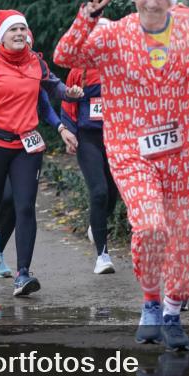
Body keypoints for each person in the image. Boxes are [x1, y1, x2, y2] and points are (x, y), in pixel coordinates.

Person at [53, 0, 189, 351]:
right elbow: (66, 55)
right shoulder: (114, 33)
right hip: (132, 149)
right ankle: (149, 302)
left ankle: (173, 314)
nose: (150, 1)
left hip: (188, 155)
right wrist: (87, 19)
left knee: (183, 244)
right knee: (149, 226)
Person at [0, 10, 74, 296]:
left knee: (25, 207)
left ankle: (23, 274)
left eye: (23, 29)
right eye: (13, 30)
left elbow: (53, 89)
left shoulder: (35, 63)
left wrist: (71, 93)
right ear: (2, 37)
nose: (19, 33)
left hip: (25, 147)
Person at [0, 89, 78, 277]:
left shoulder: (34, 68)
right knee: (2, 201)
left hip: (24, 145)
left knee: (22, 203)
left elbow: (44, 104)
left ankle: (7, 260)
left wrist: (60, 127)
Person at [59, 18, 122, 275]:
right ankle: (102, 256)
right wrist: (69, 132)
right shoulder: (79, 69)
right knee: (98, 192)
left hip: (118, 138)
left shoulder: (123, 67)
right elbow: (69, 104)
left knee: (113, 194)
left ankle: (94, 226)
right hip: (89, 138)